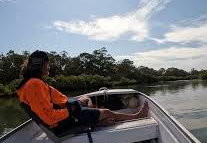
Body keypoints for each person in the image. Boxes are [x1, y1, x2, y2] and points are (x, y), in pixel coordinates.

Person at [16, 50, 148, 134]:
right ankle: (137, 116)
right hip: (64, 120)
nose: (49, 66)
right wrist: (71, 109)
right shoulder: (34, 84)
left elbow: (52, 102)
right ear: (41, 65)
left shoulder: (32, 82)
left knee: (86, 98)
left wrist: (71, 104)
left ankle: (95, 119)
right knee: (107, 112)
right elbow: (49, 118)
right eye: (47, 63)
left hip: (67, 108)